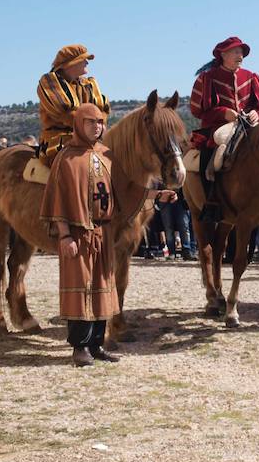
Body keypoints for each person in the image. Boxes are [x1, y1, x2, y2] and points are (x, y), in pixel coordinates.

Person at [40, 104, 175, 366]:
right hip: (79, 233)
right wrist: (65, 236)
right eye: (90, 122)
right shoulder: (66, 159)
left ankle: (97, 343)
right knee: (81, 290)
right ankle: (80, 347)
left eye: (100, 122)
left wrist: (156, 194)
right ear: (79, 125)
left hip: (104, 230)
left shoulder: (107, 155)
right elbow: (58, 201)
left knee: (103, 287)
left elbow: (126, 191)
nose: (97, 127)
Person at [189, 36, 259, 221]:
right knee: (212, 152)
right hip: (218, 127)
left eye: (242, 51)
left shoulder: (251, 77)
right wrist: (223, 113)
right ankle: (211, 200)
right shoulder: (207, 78)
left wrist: (256, 114)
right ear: (223, 54)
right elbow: (197, 110)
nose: (240, 55)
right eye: (236, 51)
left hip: (249, 126)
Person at [37, 45, 110, 166]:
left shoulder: (87, 84)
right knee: (74, 165)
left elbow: (101, 111)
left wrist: (99, 126)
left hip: (89, 139)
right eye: (83, 59)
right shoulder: (50, 83)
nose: (87, 62)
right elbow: (65, 114)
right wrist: (92, 127)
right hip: (58, 142)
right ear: (71, 63)